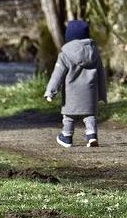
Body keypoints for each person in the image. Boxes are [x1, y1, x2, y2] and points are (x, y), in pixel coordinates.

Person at [44, 19, 108, 148]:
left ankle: (66, 137)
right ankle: (92, 136)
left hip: (71, 94)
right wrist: (102, 94)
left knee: (69, 116)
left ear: (69, 36)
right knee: (90, 115)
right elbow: (101, 75)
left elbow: (57, 75)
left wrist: (50, 92)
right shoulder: (95, 53)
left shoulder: (65, 55)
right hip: (90, 93)